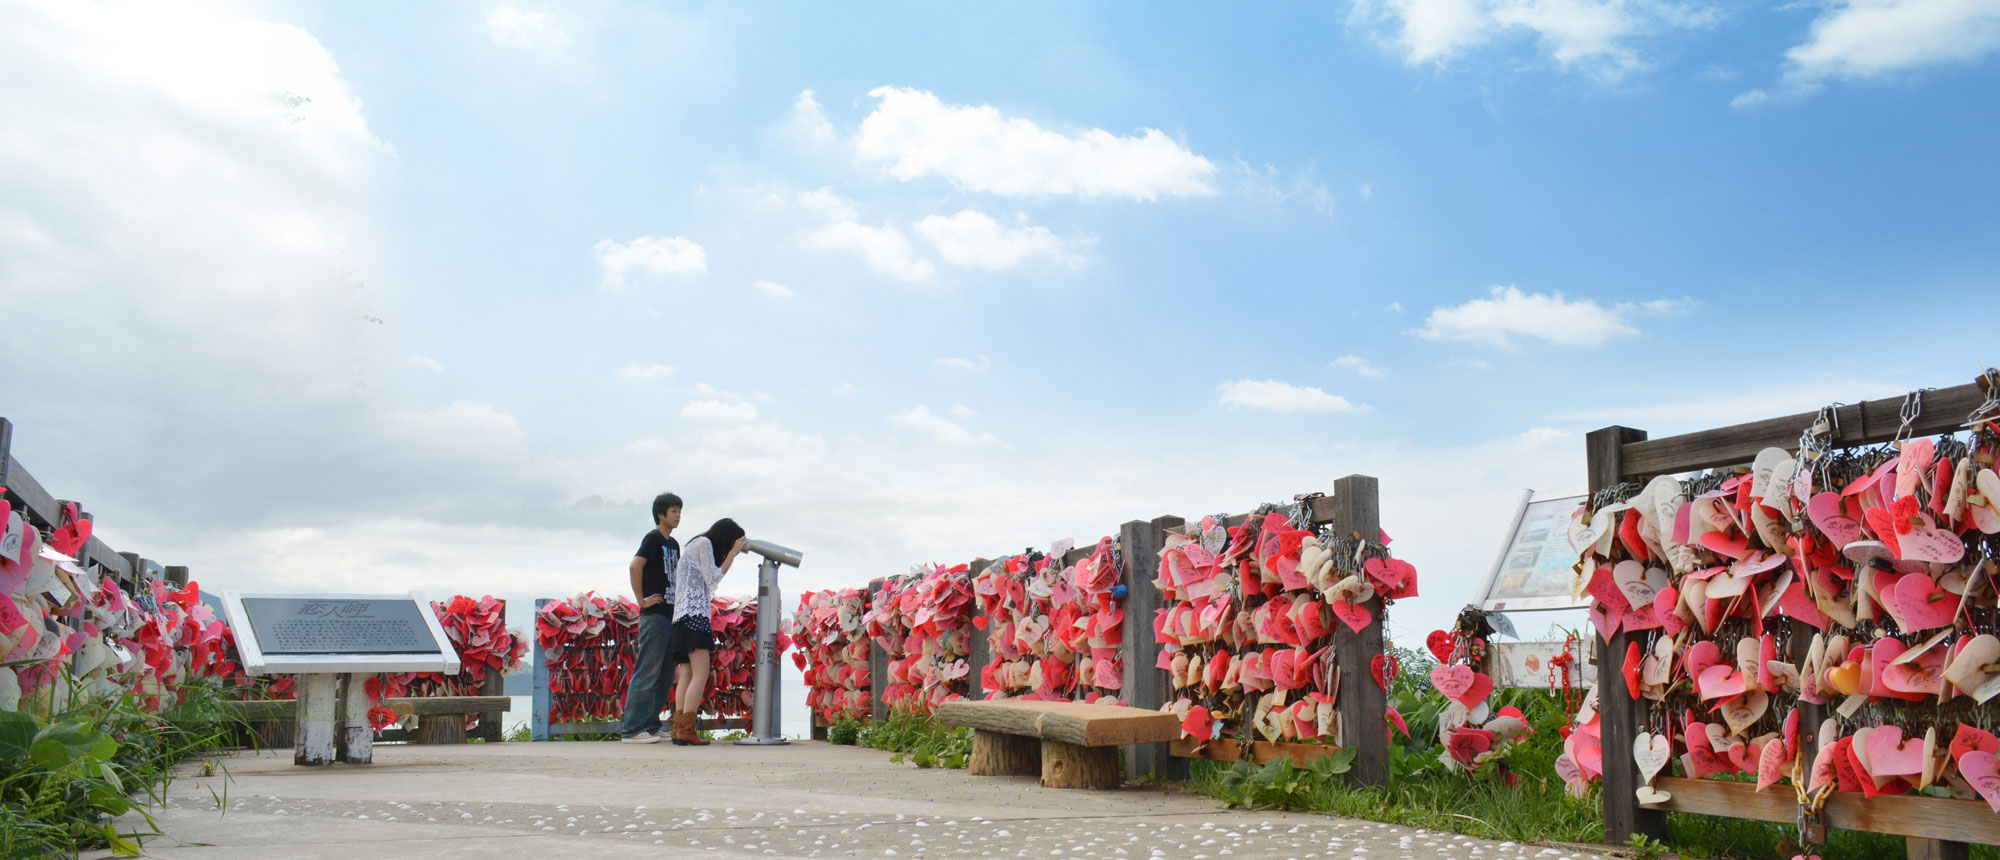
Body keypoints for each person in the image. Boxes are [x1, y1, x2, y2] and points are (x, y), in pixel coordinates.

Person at [665, 517, 746, 746]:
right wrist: (733, 554)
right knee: (700, 673)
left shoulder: (695, 544)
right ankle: (687, 730)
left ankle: (679, 729)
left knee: (687, 674)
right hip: (695, 616)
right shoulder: (704, 544)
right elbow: (713, 579)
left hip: (681, 618)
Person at [618, 493, 682, 743]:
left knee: (665, 674)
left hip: (670, 615)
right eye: (673, 511)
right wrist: (641, 599)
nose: (677, 516)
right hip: (654, 616)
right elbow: (635, 566)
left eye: (679, 512)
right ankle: (632, 729)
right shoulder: (653, 538)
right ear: (661, 514)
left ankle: (651, 725)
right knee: (647, 671)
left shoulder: (674, 544)